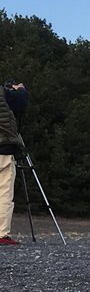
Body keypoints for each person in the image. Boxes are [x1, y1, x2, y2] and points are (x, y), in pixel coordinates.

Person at [0, 81, 29, 246]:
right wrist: (21, 89)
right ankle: (2, 233)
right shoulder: (4, 94)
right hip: (4, 149)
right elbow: (22, 102)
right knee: (4, 192)